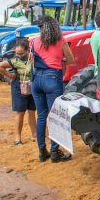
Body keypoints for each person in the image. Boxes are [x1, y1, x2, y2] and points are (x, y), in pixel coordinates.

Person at [30, 16, 74, 163]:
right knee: (54, 116)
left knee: (41, 115)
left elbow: (32, 61)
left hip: (36, 79)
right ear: (54, 26)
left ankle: (42, 151)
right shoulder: (60, 40)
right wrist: (60, 61)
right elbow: (71, 60)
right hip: (52, 79)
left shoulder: (34, 42)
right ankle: (55, 152)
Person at [0, 38, 37, 146]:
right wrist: (11, 76)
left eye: (21, 53)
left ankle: (34, 135)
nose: (19, 56)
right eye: (17, 54)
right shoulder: (14, 61)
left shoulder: (34, 58)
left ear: (27, 50)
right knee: (20, 112)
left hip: (32, 86)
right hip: (19, 87)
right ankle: (18, 138)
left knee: (32, 111)